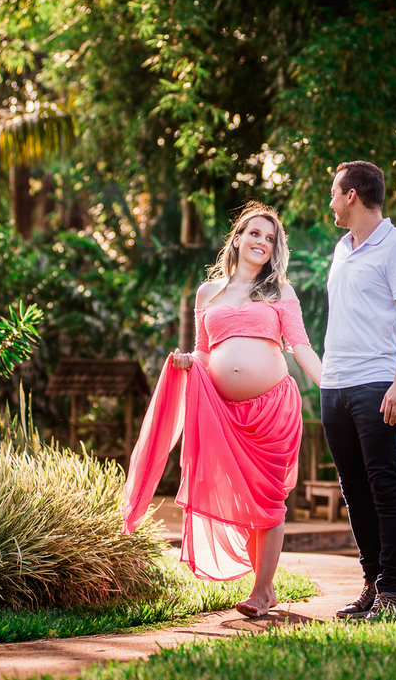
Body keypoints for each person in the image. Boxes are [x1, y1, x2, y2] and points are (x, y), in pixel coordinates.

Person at [121, 202, 322, 618]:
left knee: (270, 497)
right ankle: (264, 586)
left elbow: (300, 347)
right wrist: (186, 362)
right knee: (243, 499)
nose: (262, 242)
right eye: (255, 233)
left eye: (270, 238)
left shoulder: (280, 292)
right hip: (223, 415)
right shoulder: (207, 293)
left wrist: (333, 386)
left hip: (273, 410)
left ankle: (261, 591)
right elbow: (204, 351)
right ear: (237, 238)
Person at [320, 160, 396, 620]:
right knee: (354, 491)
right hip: (335, 384)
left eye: (333, 192)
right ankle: (371, 583)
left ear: (352, 196)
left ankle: (393, 592)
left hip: (378, 383)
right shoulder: (342, 248)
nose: (330, 201)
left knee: (385, 486)